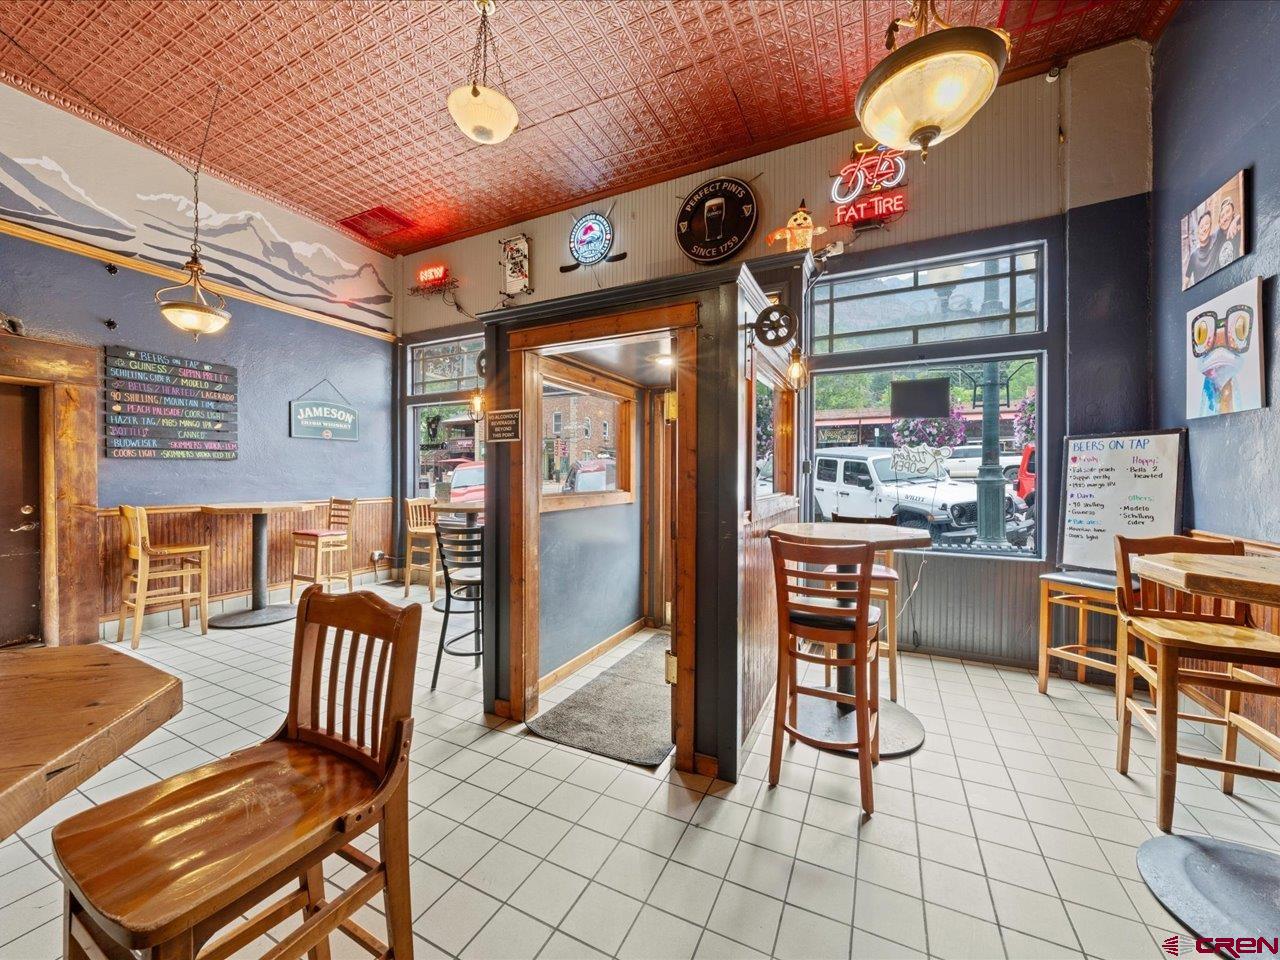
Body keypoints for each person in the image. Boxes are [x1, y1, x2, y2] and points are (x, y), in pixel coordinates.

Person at [1184, 207, 1222, 287]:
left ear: (1210, 227)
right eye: (1201, 227)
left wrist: (1235, 220)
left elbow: (1230, 219)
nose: (1204, 229)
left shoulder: (1217, 237)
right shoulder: (1194, 256)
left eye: (1207, 224)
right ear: (1197, 232)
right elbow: (1185, 283)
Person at [1214, 195, 1242, 268]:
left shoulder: (1238, 228)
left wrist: (1236, 219)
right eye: (1222, 216)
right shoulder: (1218, 240)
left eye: (1228, 212)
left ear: (1233, 213)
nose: (1225, 217)